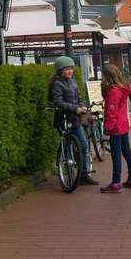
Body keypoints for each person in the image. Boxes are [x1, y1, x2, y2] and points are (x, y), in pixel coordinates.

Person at [49, 56, 99, 186]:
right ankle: (68, 168)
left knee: (83, 145)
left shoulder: (73, 82)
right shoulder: (57, 84)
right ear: (60, 70)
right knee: (68, 145)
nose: (70, 71)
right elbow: (58, 102)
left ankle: (83, 175)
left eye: (71, 69)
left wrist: (81, 106)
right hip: (64, 119)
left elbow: (79, 97)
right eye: (67, 69)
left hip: (75, 119)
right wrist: (75, 108)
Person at [99, 64, 131, 193]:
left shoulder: (113, 92)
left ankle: (116, 182)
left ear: (108, 77)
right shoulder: (122, 89)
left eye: (103, 77)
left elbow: (111, 113)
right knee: (126, 151)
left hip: (115, 128)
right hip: (123, 125)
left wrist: (106, 132)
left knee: (116, 155)